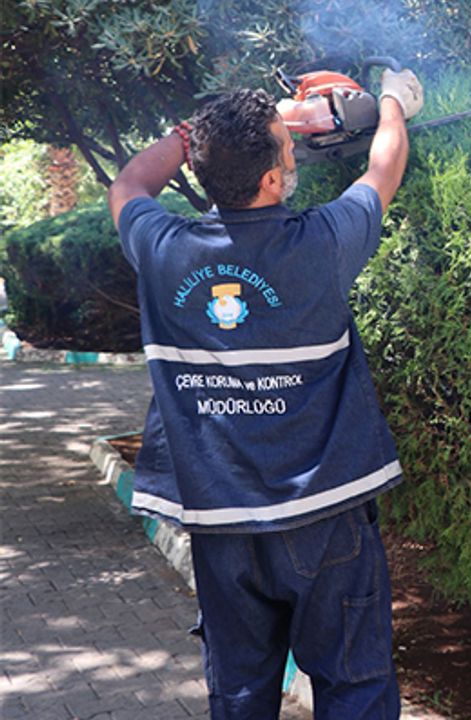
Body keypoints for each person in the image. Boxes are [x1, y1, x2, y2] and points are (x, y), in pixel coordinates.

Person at [108, 67, 424, 719]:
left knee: (241, 696)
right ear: (275, 179)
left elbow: (129, 184)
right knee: (355, 688)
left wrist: (190, 134)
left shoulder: (164, 248)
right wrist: (393, 100)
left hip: (222, 528)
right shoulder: (323, 243)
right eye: (287, 147)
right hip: (327, 517)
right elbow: (382, 169)